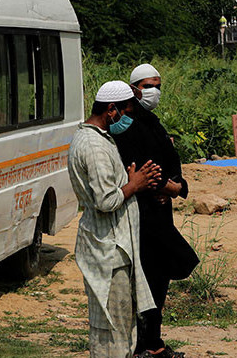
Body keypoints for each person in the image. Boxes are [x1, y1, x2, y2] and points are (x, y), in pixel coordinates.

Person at [68, 80, 161, 358]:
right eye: (125, 112)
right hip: (108, 251)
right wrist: (136, 184)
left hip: (113, 248)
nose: (126, 119)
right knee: (113, 328)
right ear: (111, 110)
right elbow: (106, 200)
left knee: (120, 324)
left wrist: (130, 179)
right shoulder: (94, 146)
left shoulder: (97, 138)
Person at [112, 64, 199, 358]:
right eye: (149, 86)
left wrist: (176, 184)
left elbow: (169, 159)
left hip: (161, 211)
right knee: (146, 277)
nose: (154, 92)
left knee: (160, 277)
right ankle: (143, 344)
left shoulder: (154, 123)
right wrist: (167, 188)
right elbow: (137, 166)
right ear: (134, 89)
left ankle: (153, 341)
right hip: (142, 213)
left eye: (158, 86)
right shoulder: (125, 126)